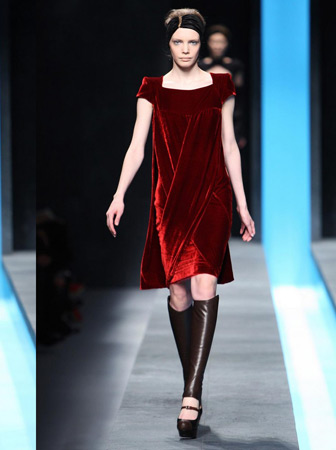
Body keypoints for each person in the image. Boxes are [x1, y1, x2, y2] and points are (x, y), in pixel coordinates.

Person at [105, 8, 255, 439]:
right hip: (169, 201)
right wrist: (118, 194)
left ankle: (191, 392)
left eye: (192, 42)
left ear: (200, 45)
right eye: (178, 42)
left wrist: (242, 205)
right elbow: (136, 147)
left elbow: (230, 146)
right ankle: (192, 378)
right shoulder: (152, 89)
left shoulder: (220, 86)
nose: (186, 49)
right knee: (177, 292)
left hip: (212, 195)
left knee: (204, 284)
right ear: (168, 44)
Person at [199, 24, 247, 149]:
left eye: (221, 42)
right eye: (214, 42)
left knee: (229, 151)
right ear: (208, 43)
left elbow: (240, 95)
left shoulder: (235, 66)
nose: (217, 46)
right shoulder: (200, 66)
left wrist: (240, 131)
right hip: (206, 119)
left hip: (232, 117)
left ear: (227, 44)